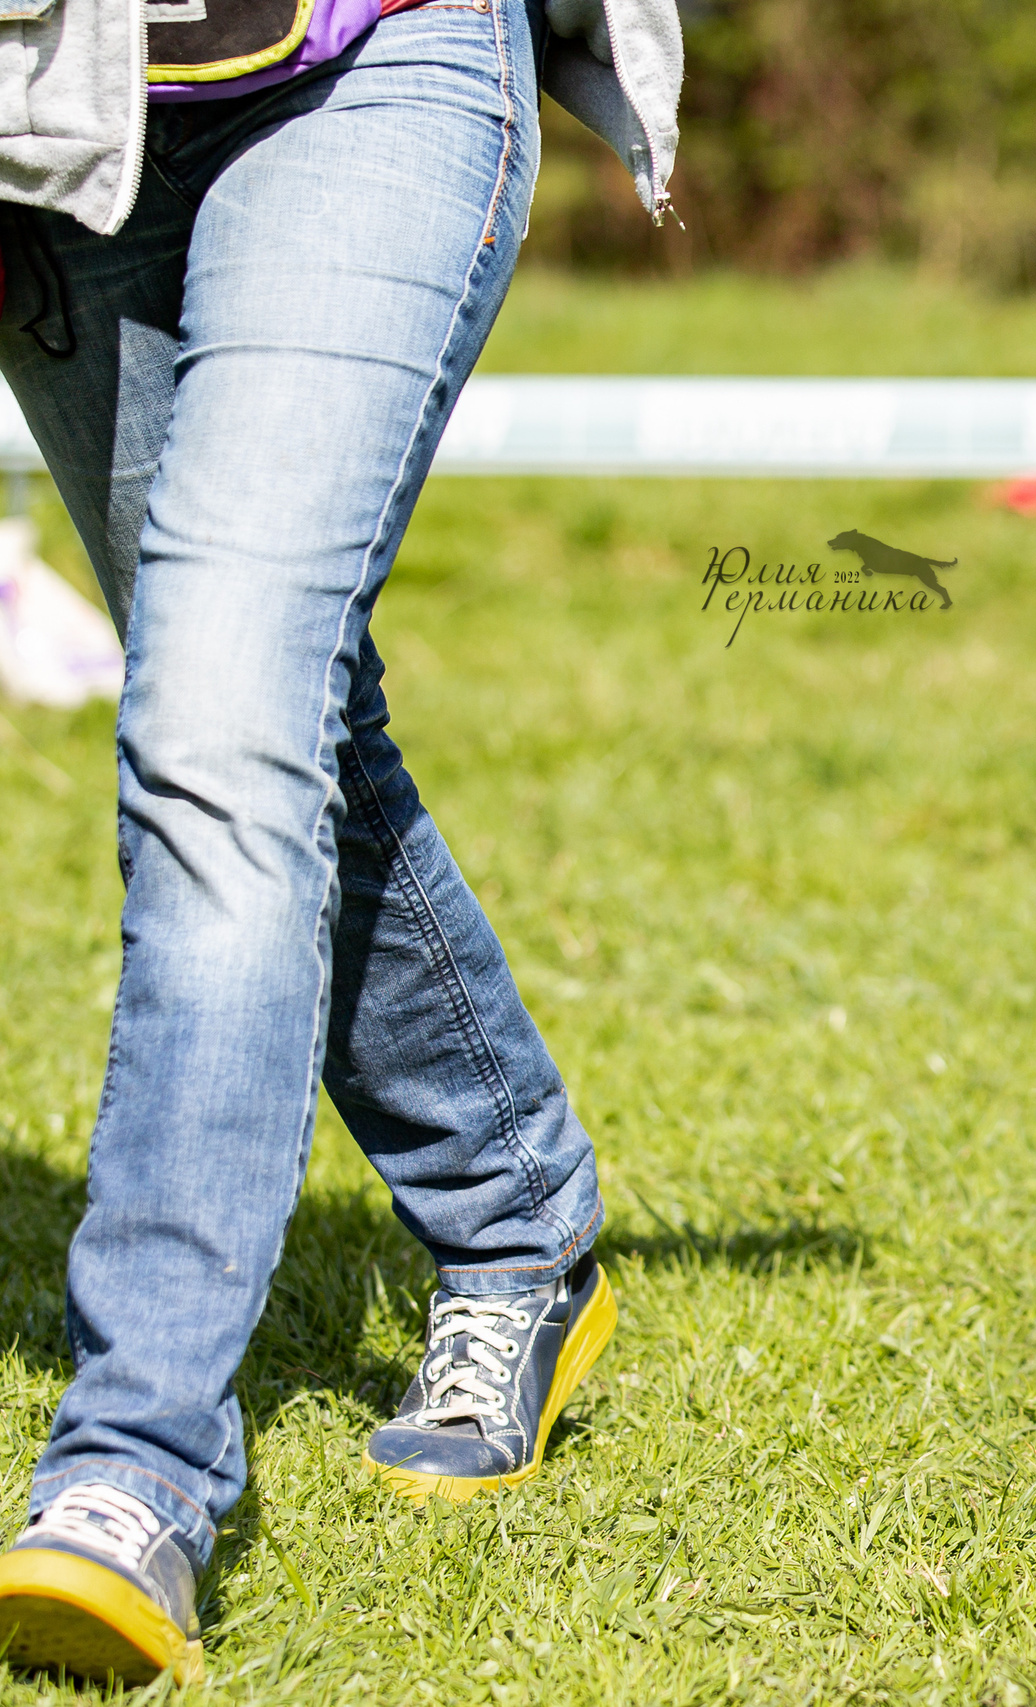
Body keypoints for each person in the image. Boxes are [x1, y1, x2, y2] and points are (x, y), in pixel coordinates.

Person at [0, 0, 678, 1687]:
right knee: (275, 709)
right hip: (53, 122)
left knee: (219, 731)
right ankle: (517, 1216)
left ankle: (129, 1471)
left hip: (375, 65)